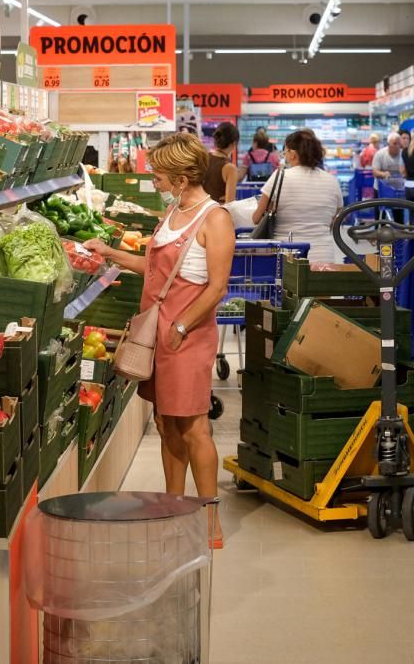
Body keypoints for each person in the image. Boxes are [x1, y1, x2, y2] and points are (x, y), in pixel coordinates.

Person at [85, 133, 235, 546]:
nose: (152, 176)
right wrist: (110, 253)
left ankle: (209, 519)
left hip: (185, 334)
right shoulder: (171, 213)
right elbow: (152, 267)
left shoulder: (214, 218)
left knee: (194, 427)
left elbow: (217, 287)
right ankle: (173, 506)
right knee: (166, 421)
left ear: (182, 177)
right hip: (156, 331)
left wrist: (183, 326)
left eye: (159, 172)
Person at [251, 129, 344, 263]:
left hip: (287, 255)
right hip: (324, 256)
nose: (285, 156)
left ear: (293, 154)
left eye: (286, 152)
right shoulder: (332, 180)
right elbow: (335, 218)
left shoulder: (280, 177)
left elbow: (256, 218)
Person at [204, 122, 239, 204]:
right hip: (218, 213)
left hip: (200, 211)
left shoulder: (204, 158)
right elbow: (230, 204)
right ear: (234, 144)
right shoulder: (230, 168)